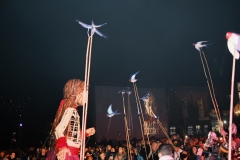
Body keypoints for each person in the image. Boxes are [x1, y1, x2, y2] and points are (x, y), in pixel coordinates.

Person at [51, 79, 96, 160]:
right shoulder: (70, 110)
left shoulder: (73, 110)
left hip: (73, 154)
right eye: (85, 92)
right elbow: (58, 130)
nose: (87, 96)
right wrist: (63, 147)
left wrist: (85, 133)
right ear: (77, 93)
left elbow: (72, 134)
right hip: (69, 154)